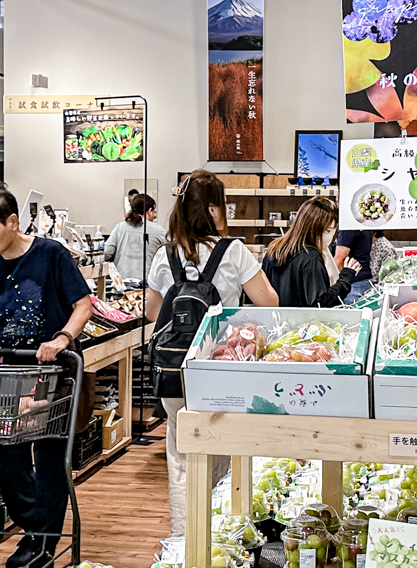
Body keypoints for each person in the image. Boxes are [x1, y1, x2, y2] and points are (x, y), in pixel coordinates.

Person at [0, 185, 94, 568]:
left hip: (52, 374)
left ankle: (43, 547)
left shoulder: (51, 254)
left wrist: (61, 339)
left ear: (12, 223)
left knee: (51, 461)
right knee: (8, 458)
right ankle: (35, 531)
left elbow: (82, 304)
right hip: (7, 375)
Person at [145, 170, 277, 535]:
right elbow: (269, 301)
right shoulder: (233, 251)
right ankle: (223, 539)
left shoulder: (165, 254)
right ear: (216, 209)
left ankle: (184, 540)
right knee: (225, 453)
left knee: (181, 456)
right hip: (222, 369)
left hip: (174, 370)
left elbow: (153, 313)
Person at [263, 197, 359, 307]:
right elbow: (320, 303)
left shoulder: (274, 250)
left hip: (274, 321)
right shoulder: (311, 258)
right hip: (303, 322)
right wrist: (345, 278)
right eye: (328, 230)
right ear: (312, 229)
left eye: (333, 231)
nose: (331, 236)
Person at [102, 193, 166, 283]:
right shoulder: (158, 231)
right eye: (154, 212)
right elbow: (171, 254)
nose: (154, 215)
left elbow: (107, 253)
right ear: (149, 211)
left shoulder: (120, 227)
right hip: (146, 284)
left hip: (121, 282)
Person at [333, 228, 375, 300]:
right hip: (363, 278)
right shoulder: (362, 225)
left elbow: (340, 258)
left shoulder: (347, 228)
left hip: (352, 283)